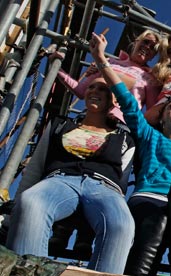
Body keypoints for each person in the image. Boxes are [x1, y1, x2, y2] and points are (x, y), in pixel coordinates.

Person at [89, 32, 171, 276]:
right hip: (151, 201)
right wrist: (101, 61)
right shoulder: (150, 136)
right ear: (162, 117)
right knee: (148, 246)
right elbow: (127, 102)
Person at [6, 77, 136, 274]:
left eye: (103, 89)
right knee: (31, 202)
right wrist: (15, 210)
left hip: (105, 187)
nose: (95, 91)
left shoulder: (125, 138)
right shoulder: (59, 124)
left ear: (115, 100)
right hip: (59, 179)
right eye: (91, 87)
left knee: (121, 225)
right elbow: (36, 167)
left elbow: (122, 178)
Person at [54, 29, 162, 122]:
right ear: (136, 42)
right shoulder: (110, 62)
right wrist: (56, 67)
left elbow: (151, 113)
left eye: (152, 48)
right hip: (91, 117)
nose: (147, 47)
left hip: (120, 124)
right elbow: (81, 91)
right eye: (146, 42)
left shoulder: (150, 79)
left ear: (153, 56)